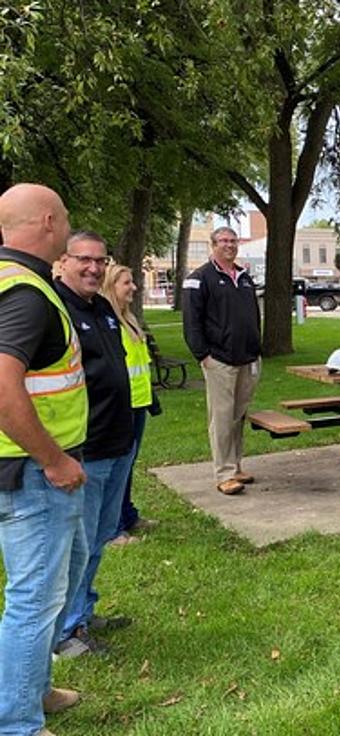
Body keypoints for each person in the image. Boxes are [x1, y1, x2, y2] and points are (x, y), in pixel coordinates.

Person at [0, 184, 87, 736]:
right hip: (35, 473)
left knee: (58, 577)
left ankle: (33, 687)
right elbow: (3, 387)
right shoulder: (27, 292)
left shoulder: (13, 281)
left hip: (30, 469)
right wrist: (53, 459)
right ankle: (18, 722)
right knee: (34, 598)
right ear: (50, 221)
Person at [53, 230, 135, 659]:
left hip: (118, 442)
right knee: (79, 543)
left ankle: (83, 611)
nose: (94, 267)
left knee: (100, 535)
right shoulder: (56, 309)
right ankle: (67, 631)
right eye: (84, 259)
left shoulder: (102, 307)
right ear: (63, 261)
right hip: (87, 449)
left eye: (101, 260)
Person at [182, 227, 262, 495]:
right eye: (224, 241)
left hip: (247, 358)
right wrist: (202, 355)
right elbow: (192, 322)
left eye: (233, 241)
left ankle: (236, 465)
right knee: (222, 417)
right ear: (213, 245)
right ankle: (224, 473)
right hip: (219, 359)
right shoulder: (200, 279)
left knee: (238, 415)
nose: (229, 245)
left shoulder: (244, 277)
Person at [101, 264, 158, 546]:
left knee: (128, 464)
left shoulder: (129, 319)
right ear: (112, 287)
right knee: (115, 468)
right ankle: (111, 529)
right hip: (120, 406)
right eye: (127, 283)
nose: (133, 287)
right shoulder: (107, 322)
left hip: (138, 402)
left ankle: (127, 515)